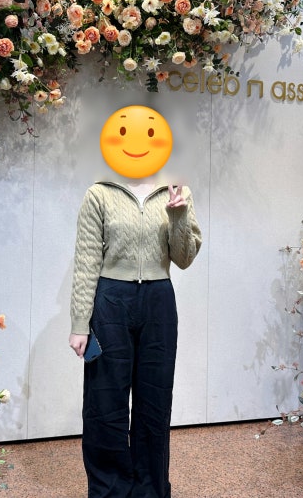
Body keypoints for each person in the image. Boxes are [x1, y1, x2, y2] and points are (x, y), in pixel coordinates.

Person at [69, 178, 202, 498]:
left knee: (155, 401)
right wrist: (80, 322)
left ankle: (150, 490)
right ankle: (109, 489)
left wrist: (178, 215)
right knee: (104, 402)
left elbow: (184, 258)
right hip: (110, 301)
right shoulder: (99, 194)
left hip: (159, 302)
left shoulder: (177, 192)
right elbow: (86, 260)